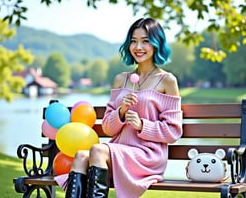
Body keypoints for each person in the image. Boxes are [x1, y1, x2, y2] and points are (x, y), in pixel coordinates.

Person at [64, 17, 183, 198]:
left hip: (147, 155)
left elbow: (173, 131)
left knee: (97, 150)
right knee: (81, 156)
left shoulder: (167, 80)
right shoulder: (122, 79)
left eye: (145, 41)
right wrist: (120, 111)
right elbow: (107, 128)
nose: (138, 47)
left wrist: (142, 125)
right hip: (118, 149)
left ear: (156, 43)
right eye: (133, 41)